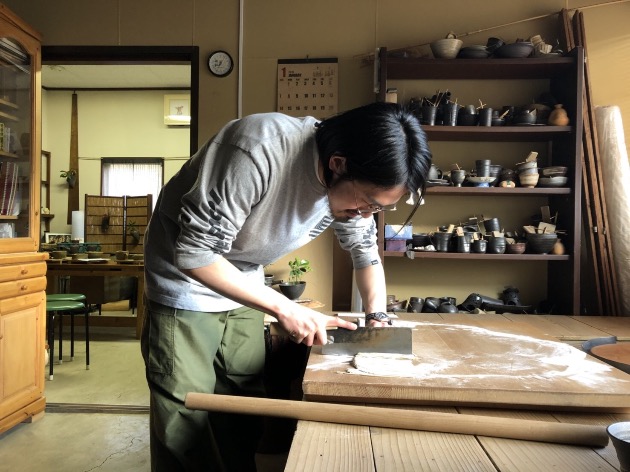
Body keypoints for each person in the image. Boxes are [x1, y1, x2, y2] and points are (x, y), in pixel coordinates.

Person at [141, 101, 432, 471]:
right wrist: (285, 308)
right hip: (184, 280)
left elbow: (365, 253)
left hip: (244, 280)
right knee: (186, 414)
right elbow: (195, 254)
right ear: (338, 164)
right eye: (367, 204)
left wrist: (378, 317)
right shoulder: (257, 149)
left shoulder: (354, 181)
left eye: (377, 209)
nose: (366, 215)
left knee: (243, 402)